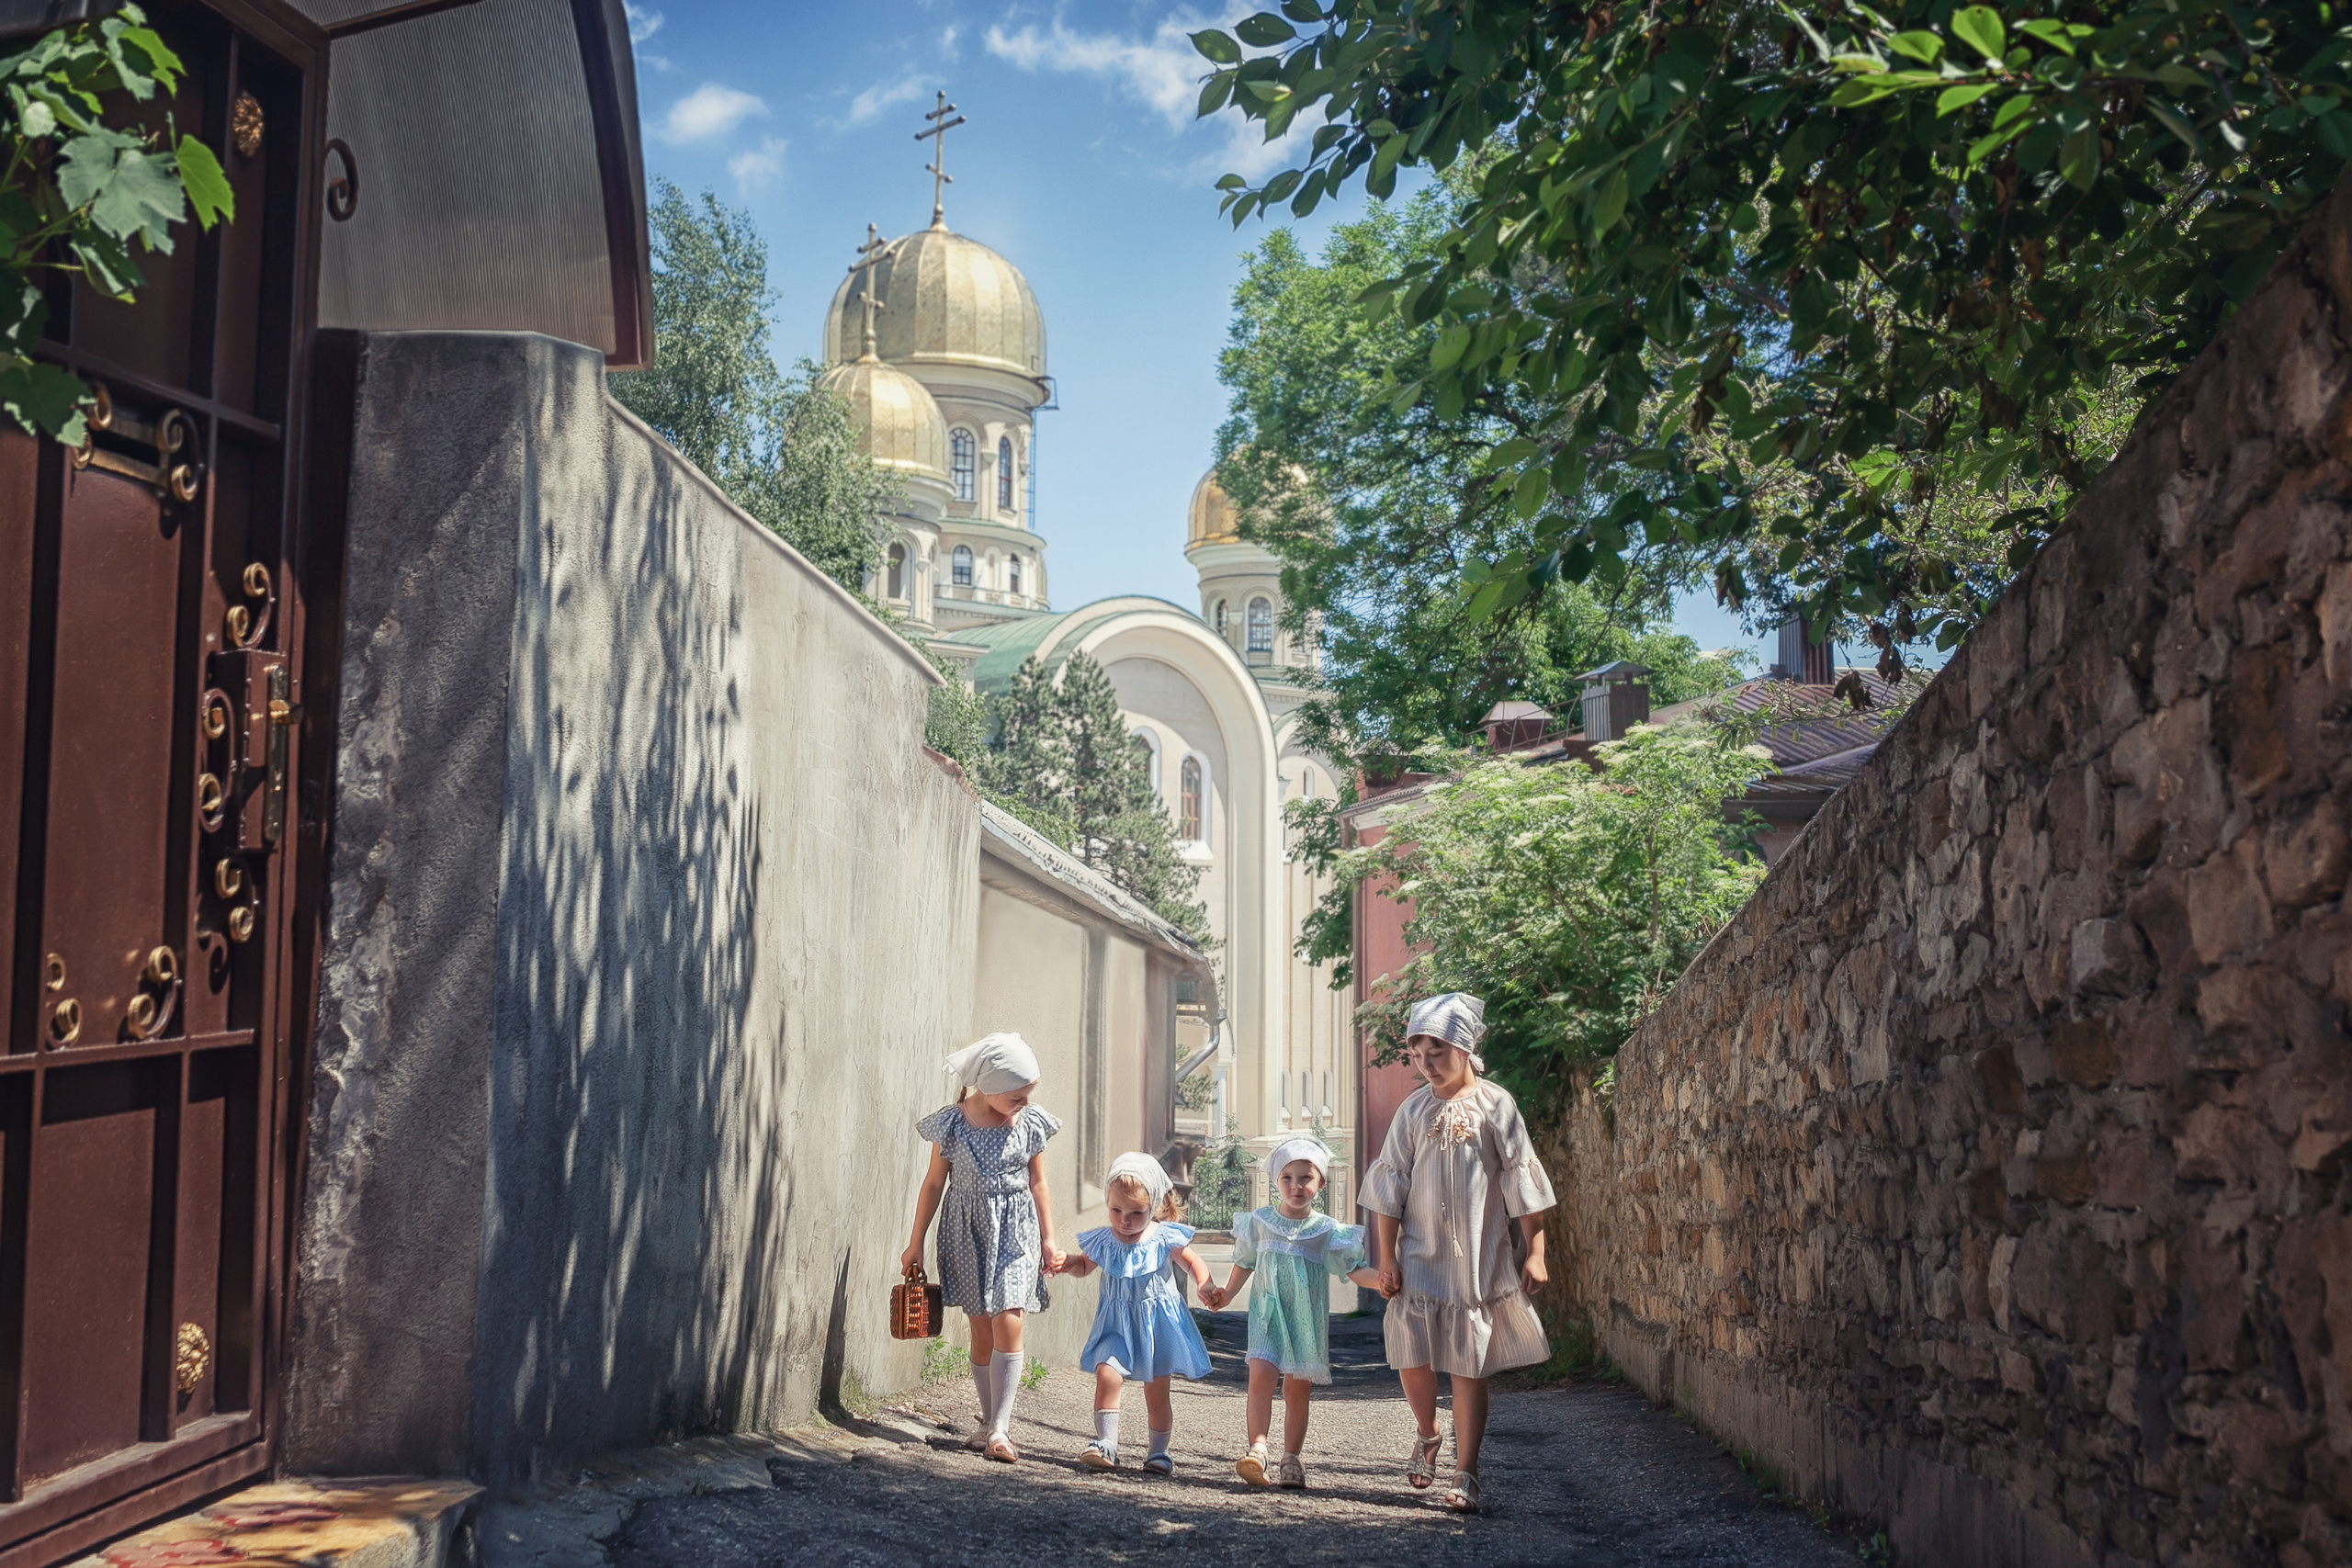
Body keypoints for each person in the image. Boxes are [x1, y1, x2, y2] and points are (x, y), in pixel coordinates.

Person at [1362, 993, 1556, 1514]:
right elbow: (1390, 1188)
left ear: (1466, 1048)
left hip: (1477, 1255)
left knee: (1469, 1363)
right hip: (1419, 1255)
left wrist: (1535, 1249)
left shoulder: (1498, 1106)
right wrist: (1387, 1257)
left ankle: (1467, 1469)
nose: (1426, 1062)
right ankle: (1428, 1432)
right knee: (1413, 1355)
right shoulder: (1413, 1110)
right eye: (1417, 1051)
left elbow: (1523, 1181)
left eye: (1438, 1049)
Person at [903, 1032, 1065, 1463]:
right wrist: (914, 1243)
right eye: (1016, 1097)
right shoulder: (953, 1124)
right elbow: (934, 1183)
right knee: (980, 1332)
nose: (1024, 1104)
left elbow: (1038, 1182)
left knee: (1010, 1319)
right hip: (965, 1233)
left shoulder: (1029, 1124)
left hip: (1016, 1233)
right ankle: (988, 1419)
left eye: (1028, 1095)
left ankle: (1001, 1428)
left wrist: (1049, 1238)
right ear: (988, 1089)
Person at [1203, 1135, 1385, 1489]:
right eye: (1287, 1177)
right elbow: (1245, 1263)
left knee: (1297, 1390)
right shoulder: (1260, 1221)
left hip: (1305, 1322)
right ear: (1275, 1181)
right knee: (1260, 1377)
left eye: (1306, 1177)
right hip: (1266, 1318)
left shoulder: (1327, 1231)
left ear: (1321, 1182)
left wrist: (1382, 1282)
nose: (1296, 1186)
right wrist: (1226, 1294)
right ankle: (1258, 1449)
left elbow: (1353, 1269)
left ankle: (1291, 1458)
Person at [1058, 1151, 1214, 1474]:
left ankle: (1158, 1452)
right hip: (1116, 1324)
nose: (1124, 1220)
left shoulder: (1164, 1236)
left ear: (1154, 1206)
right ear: (1107, 1203)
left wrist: (1204, 1283)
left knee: (1157, 1391)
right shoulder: (1104, 1239)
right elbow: (1085, 1265)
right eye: (1116, 1210)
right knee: (1107, 1374)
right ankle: (1107, 1444)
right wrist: (1069, 1263)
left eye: (1135, 1213)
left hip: (1156, 1326)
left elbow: (1193, 1261)